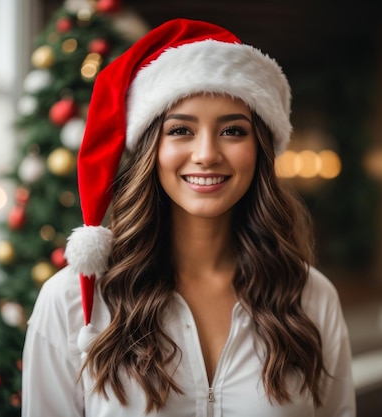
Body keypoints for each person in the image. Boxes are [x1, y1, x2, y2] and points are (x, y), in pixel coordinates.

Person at [21, 18, 355, 417]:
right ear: (151, 150)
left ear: (260, 150)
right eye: (181, 130)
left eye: (233, 131)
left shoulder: (311, 297)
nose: (207, 153)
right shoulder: (72, 304)